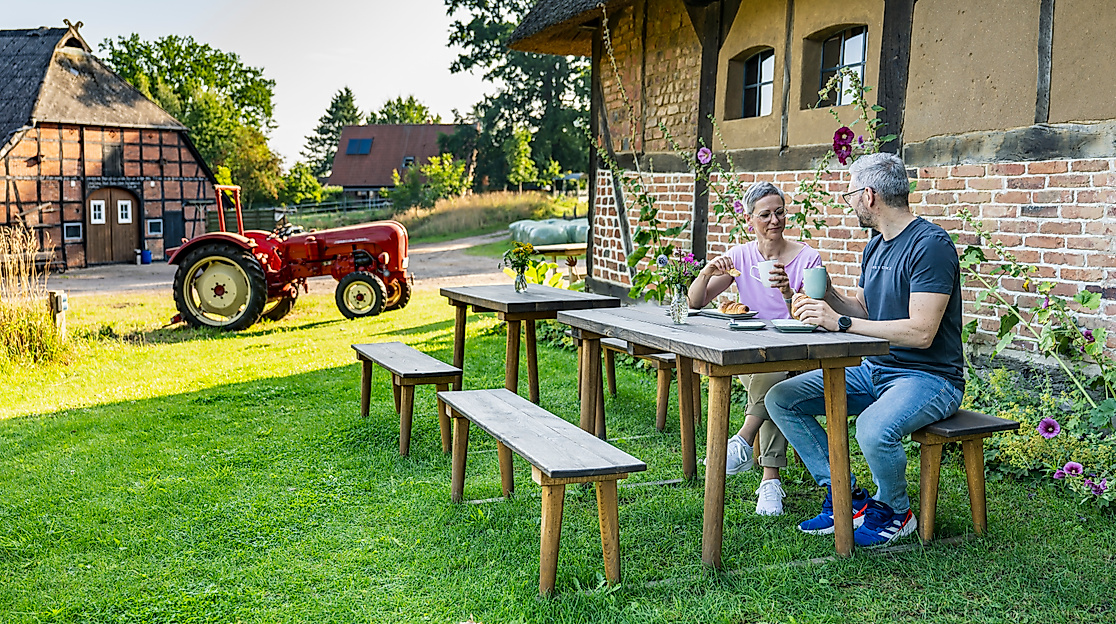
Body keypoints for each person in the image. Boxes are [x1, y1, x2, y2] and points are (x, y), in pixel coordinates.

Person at [765, 152, 964, 547]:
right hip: (876, 369)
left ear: (869, 196)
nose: (850, 203)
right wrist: (828, 295)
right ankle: (845, 495)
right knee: (782, 398)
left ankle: (895, 511)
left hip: (930, 377)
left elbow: (922, 332)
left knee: (872, 428)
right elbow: (864, 311)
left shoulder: (930, 245)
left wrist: (838, 322)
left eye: (850, 195)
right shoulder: (875, 246)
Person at [688, 181, 822, 516]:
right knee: (775, 385)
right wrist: (706, 272)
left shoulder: (807, 258)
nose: (775, 220)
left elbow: (809, 315)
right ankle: (769, 480)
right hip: (749, 350)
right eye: (765, 215)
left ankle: (744, 442)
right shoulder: (740, 256)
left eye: (780, 212)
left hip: (794, 350)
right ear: (750, 220)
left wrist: (788, 292)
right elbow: (695, 302)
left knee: (776, 377)